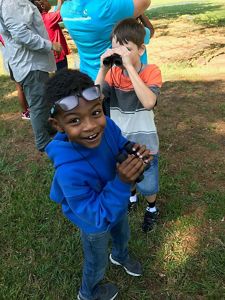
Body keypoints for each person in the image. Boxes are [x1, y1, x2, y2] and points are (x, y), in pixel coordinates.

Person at [44, 68, 152, 300]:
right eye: (74, 120)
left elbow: (119, 143)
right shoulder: (68, 171)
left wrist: (132, 152)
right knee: (96, 260)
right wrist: (123, 182)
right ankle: (88, 292)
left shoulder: (108, 126)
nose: (91, 126)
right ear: (58, 125)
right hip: (94, 220)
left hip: (117, 202)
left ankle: (120, 255)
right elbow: (96, 215)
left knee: (122, 232)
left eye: (95, 113)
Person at [96, 18, 162, 232]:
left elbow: (149, 102)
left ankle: (152, 207)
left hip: (145, 143)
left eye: (127, 48)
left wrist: (130, 68)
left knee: (149, 183)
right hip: (120, 141)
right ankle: (131, 197)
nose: (121, 53)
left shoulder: (151, 71)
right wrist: (103, 70)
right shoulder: (113, 74)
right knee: (126, 172)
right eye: (116, 47)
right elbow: (94, 100)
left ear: (141, 50)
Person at [0, 0, 62, 151]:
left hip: (29, 62)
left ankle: (49, 128)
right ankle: (44, 142)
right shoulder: (11, 3)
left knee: (42, 99)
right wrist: (50, 45)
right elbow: (21, 35)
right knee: (38, 105)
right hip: (30, 64)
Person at [60, 0, 151, 80]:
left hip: (89, 76)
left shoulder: (65, 10)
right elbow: (145, 2)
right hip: (116, 79)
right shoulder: (105, 7)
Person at [33, 0, 70, 71]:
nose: (49, 2)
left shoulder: (39, 18)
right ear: (42, 6)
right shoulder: (48, 18)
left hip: (48, 53)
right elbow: (61, 12)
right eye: (46, 1)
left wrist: (60, 1)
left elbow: (57, 12)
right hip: (58, 53)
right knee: (62, 75)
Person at [0, 34, 30, 120]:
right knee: (20, 87)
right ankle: (25, 112)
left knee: (22, 87)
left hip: (14, 60)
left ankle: (28, 108)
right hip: (13, 61)